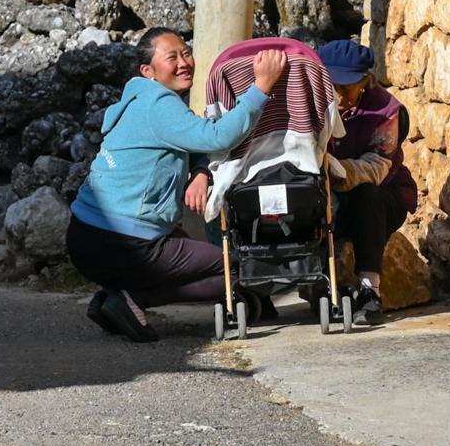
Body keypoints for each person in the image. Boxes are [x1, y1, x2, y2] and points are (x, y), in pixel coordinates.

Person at [67, 29, 288, 342]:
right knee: (232, 269)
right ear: (149, 71)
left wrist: (201, 172)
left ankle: (112, 295)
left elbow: (190, 140)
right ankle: (133, 299)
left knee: (191, 250)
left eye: (186, 53)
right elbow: (217, 137)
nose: (184, 62)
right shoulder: (159, 105)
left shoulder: (141, 99)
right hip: (125, 244)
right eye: (172, 58)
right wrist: (262, 87)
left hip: (85, 236)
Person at [317, 39, 416, 328]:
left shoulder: (385, 110)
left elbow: (377, 166)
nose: (339, 95)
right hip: (326, 194)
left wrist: (333, 170)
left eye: (346, 87)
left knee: (367, 194)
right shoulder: (311, 101)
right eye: (332, 85)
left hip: (380, 197)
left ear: (365, 81)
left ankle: (369, 290)